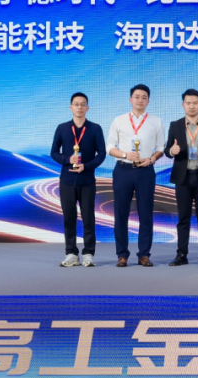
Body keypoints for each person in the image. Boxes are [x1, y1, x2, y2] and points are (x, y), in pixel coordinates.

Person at [106, 84, 165, 268]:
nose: (140, 100)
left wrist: (151, 159)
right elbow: (110, 147)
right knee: (120, 213)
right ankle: (122, 255)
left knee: (145, 213)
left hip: (145, 171)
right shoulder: (119, 120)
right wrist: (125, 154)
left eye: (144, 97)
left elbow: (161, 148)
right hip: (123, 170)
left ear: (148, 101)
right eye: (137, 97)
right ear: (130, 99)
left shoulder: (156, 121)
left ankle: (144, 255)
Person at [50, 92, 106, 268]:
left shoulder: (95, 128)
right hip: (67, 180)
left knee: (88, 217)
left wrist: (86, 166)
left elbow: (102, 154)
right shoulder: (62, 128)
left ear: (87, 108)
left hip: (87, 180)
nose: (79, 107)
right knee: (69, 217)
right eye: (76, 104)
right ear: (71, 107)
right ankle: (71, 253)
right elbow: (54, 152)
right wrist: (68, 159)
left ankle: (88, 253)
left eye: (83, 104)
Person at [165, 89, 198, 267]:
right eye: (188, 103)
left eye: (195, 103)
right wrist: (171, 151)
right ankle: (181, 254)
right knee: (183, 218)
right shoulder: (175, 125)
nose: (192, 106)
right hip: (183, 178)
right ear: (183, 105)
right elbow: (167, 149)